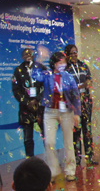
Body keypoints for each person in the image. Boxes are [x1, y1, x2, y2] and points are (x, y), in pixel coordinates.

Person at [32, 51, 81, 181]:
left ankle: (70, 170)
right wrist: (39, 60)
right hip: (50, 112)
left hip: (66, 112)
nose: (62, 64)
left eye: (64, 62)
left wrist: (77, 114)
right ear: (54, 63)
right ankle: (53, 171)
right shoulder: (47, 75)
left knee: (68, 142)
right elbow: (35, 76)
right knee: (49, 142)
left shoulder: (69, 77)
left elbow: (76, 95)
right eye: (60, 62)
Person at [64, 44, 97, 166]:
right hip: (73, 102)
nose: (74, 55)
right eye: (71, 53)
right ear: (67, 54)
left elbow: (89, 78)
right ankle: (77, 158)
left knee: (87, 129)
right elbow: (65, 86)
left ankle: (90, 157)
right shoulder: (65, 68)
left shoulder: (83, 65)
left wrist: (87, 83)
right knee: (76, 130)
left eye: (75, 52)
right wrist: (78, 87)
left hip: (85, 100)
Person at [12, 48, 45, 157]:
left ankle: (50, 160)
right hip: (26, 109)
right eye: (25, 54)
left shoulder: (41, 68)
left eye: (30, 54)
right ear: (22, 57)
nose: (28, 56)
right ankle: (30, 160)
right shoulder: (18, 70)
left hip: (40, 108)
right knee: (28, 138)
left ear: (34, 55)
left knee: (46, 136)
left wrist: (36, 100)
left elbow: (46, 87)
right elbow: (16, 90)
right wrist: (27, 103)